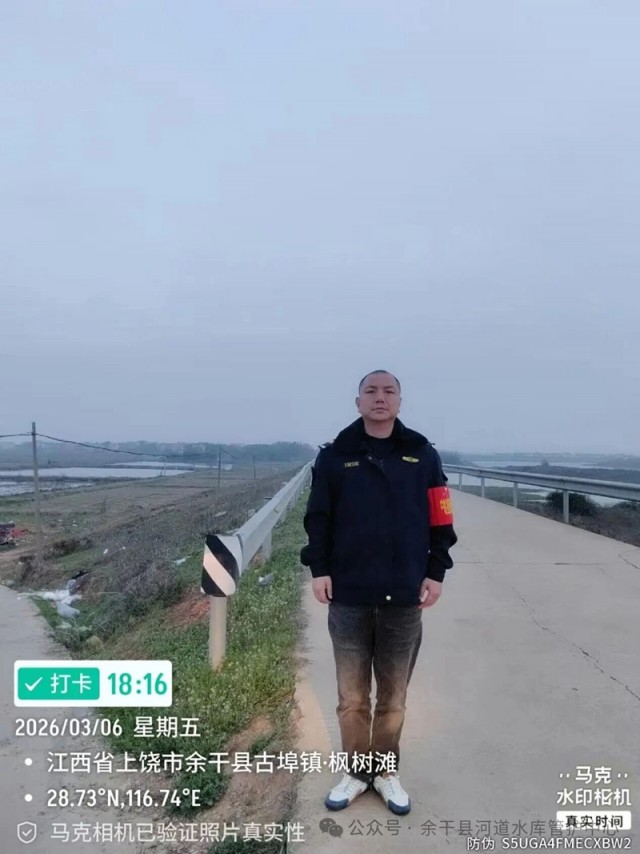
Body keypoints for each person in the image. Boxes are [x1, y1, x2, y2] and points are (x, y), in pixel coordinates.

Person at [300, 369, 458, 815]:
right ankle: (356, 771)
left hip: (403, 596)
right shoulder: (335, 456)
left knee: (393, 698)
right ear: (358, 403)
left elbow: (441, 517)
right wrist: (319, 569)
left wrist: (436, 571)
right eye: (370, 391)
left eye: (389, 391)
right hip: (349, 595)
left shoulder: (422, 455)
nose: (380, 397)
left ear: (400, 402)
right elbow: (318, 518)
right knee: (352, 698)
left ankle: (385, 772)